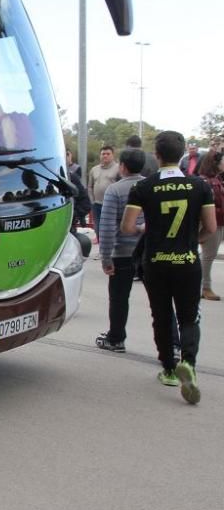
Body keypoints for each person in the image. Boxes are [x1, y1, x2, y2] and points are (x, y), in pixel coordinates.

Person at [122, 130, 216, 405]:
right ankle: (189, 361)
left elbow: (127, 227)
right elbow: (210, 228)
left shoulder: (143, 187)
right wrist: (190, 240)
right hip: (187, 262)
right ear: (184, 152)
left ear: (157, 154)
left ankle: (168, 367)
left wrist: (147, 230)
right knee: (189, 317)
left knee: (161, 317)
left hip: (156, 262)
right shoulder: (200, 186)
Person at [95, 149, 146, 353]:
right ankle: (173, 343)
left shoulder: (115, 190)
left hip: (122, 253)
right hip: (146, 251)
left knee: (118, 298)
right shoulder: (149, 186)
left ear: (122, 166)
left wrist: (106, 258)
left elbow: (106, 227)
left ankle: (116, 338)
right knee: (159, 300)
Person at [196, 149, 224, 300]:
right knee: (208, 255)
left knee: (207, 255)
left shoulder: (212, 180)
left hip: (216, 221)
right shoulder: (209, 182)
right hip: (213, 222)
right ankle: (204, 287)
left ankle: (202, 286)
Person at [88, 145, 119, 230]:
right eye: (103, 154)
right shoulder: (94, 169)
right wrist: (92, 201)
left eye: (108, 154)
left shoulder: (118, 168)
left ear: (113, 155)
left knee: (110, 229)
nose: (105, 156)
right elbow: (90, 187)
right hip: (97, 205)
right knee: (98, 229)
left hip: (111, 205)